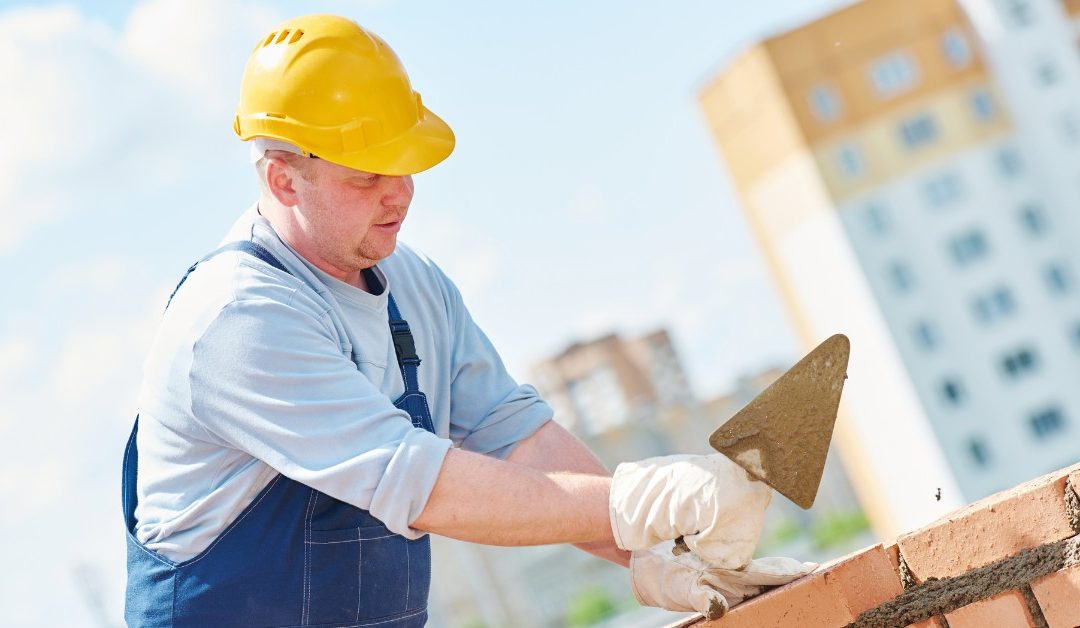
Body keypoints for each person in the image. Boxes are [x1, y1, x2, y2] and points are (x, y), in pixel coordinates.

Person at [122, 13, 814, 627]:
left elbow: (515, 440)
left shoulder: (412, 286)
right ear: (282, 179)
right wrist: (639, 501)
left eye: (405, 165)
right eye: (367, 175)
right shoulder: (238, 321)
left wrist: (653, 554)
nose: (400, 195)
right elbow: (422, 485)